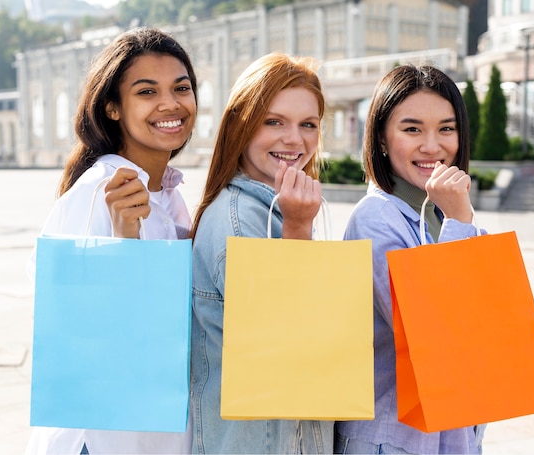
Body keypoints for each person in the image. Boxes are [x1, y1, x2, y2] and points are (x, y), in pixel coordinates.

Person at [25, 27, 197, 455]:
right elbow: (61, 322)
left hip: (153, 434)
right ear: (113, 108)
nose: (170, 104)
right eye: (146, 91)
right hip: (104, 439)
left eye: (182, 88)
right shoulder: (101, 190)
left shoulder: (169, 197)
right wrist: (125, 246)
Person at [334, 65, 486, 454]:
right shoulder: (376, 219)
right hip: (393, 438)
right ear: (382, 140)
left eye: (446, 129)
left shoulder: (441, 213)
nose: (433, 147)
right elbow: (430, 338)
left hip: (452, 433)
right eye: (412, 129)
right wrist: (460, 223)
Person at [189, 53, 332, 454]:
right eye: (274, 122)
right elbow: (284, 346)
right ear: (241, 124)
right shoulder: (241, 222)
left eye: (308, 125)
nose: (295, 139)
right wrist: (300, 229)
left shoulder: (270, 209)